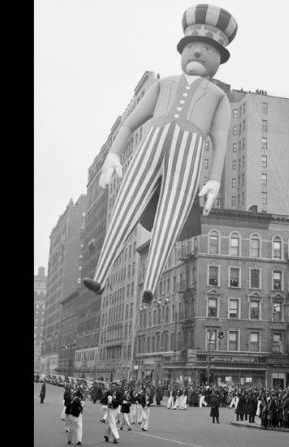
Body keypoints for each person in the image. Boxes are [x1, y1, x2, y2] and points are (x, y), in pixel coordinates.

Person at [81, 4, 238, 307]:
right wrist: (113, 155)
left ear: (219, 57)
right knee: (127, 203)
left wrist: (214, 180)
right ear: (182, 50)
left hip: (189, 153)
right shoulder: (163, 84)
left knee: (172, 213)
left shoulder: (219, 97)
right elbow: (129, 123)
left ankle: (150, 284)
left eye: (206, 48)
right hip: (149, 147)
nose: (197, 52)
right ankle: (100, 275)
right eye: (191, 46)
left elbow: (220, 142)